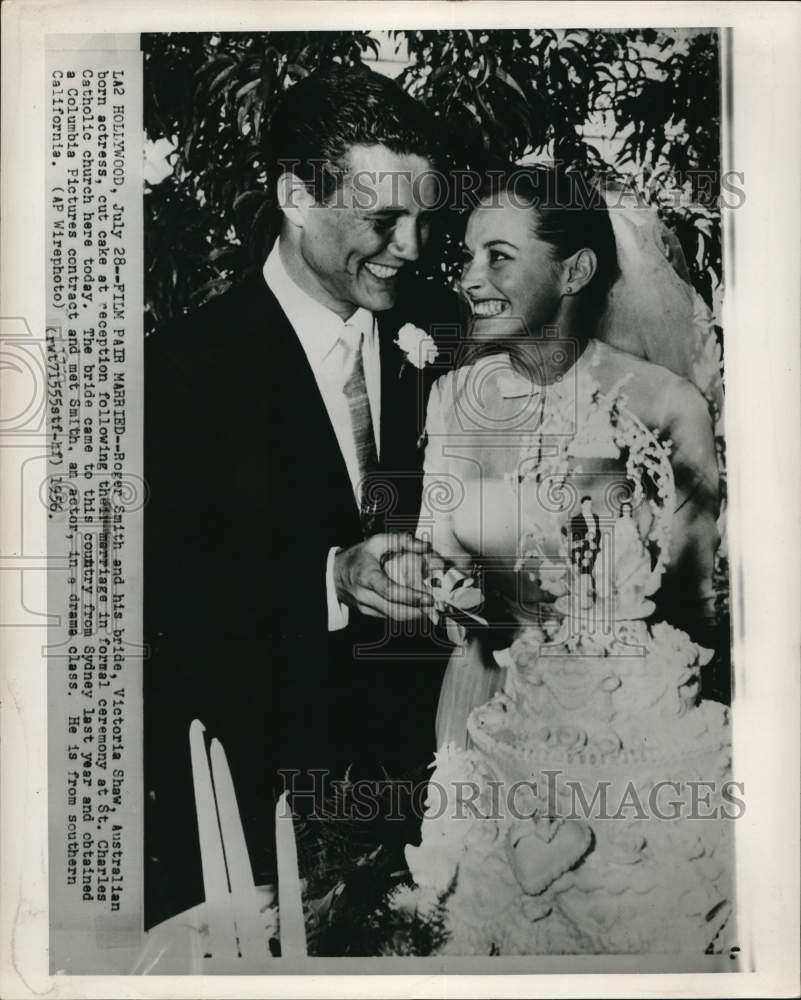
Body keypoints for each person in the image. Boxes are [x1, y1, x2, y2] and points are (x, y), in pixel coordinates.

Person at [143, 65, 459, 927]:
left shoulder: (443, 335)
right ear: (294, 195)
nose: (412, 248)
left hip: (427, 801)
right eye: (383, 220)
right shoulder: (181, 369)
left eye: (423, 219)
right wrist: (331, 575)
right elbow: (163, 603)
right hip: (264, 812)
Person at [421, 164, 721, 750]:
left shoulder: (666, 405)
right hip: (484, 696)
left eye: (499, 256)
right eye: (469, 256)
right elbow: (440, 558)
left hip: (621, 714)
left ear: (575, 272)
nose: (469, 278)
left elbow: (694, 609)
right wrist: (448, 592)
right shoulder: (453, 398)